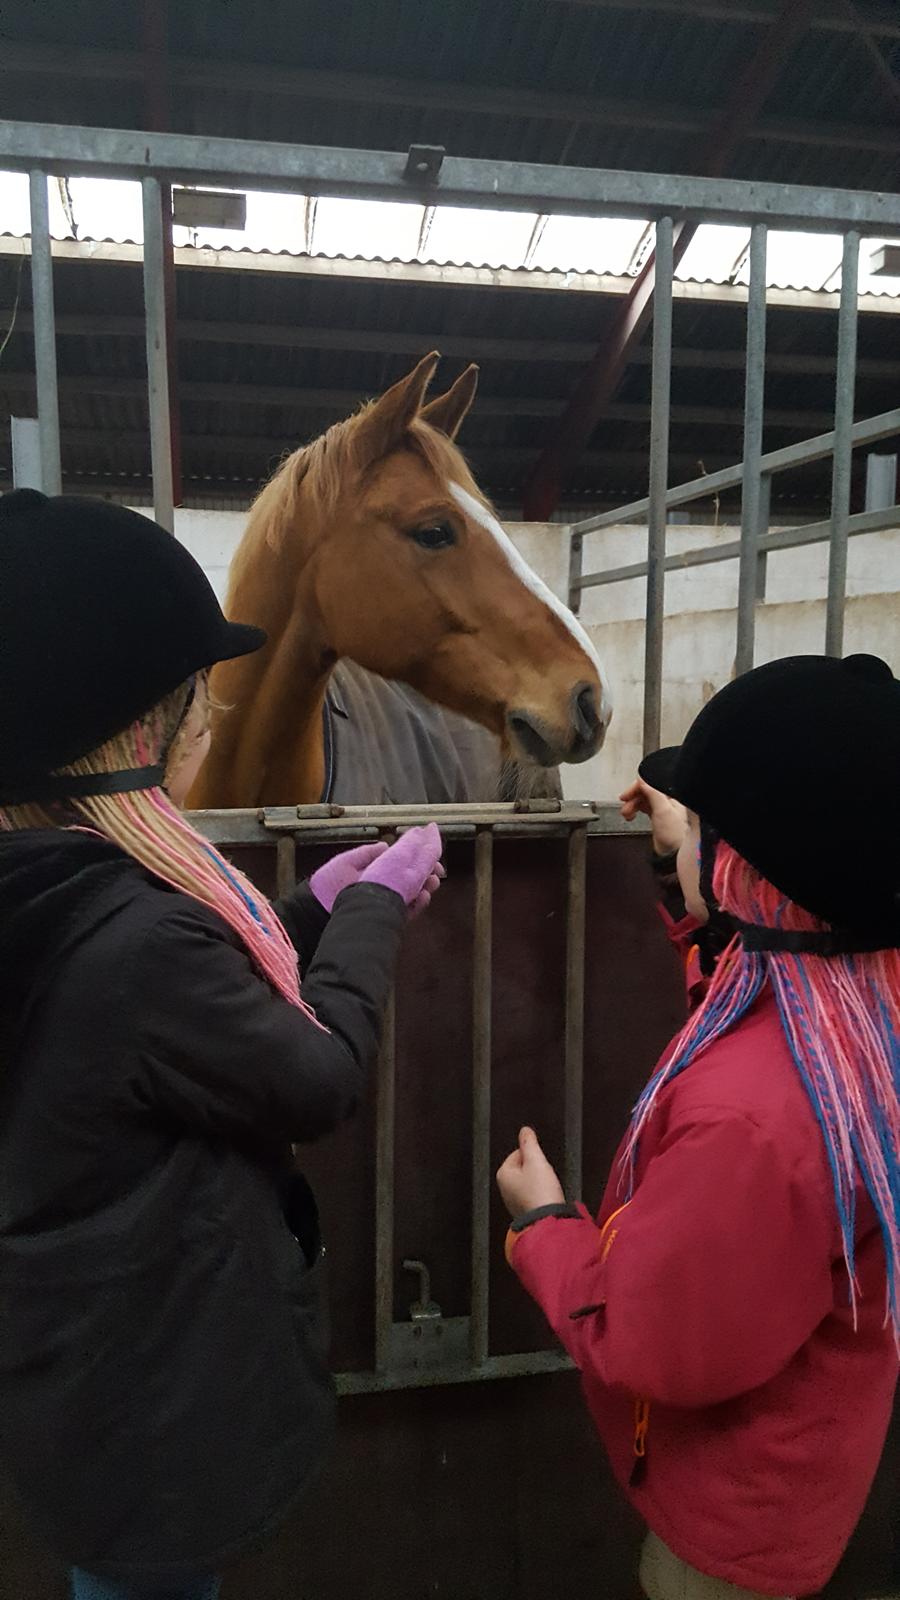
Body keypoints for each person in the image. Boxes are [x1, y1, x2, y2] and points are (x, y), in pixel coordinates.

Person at [0, 489, 444, 1600]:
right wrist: (378, 910)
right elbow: (314, 1076)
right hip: (153, 1408)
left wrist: (301, 916)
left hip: (79, 1382)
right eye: (195, 708)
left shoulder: (52, 895)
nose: (208, 729)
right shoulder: (141, 936)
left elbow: (167, 1034)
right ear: (137, 735)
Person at [497, 653, 900, 1600]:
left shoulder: (749, 1123)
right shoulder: (858, 1011)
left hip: (724, 1536)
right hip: (804, 1478)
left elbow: (651, 1345)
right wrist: (692, 867)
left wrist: (545, 1227)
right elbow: (765, 988)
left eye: (703, 833)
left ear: (740, 870)